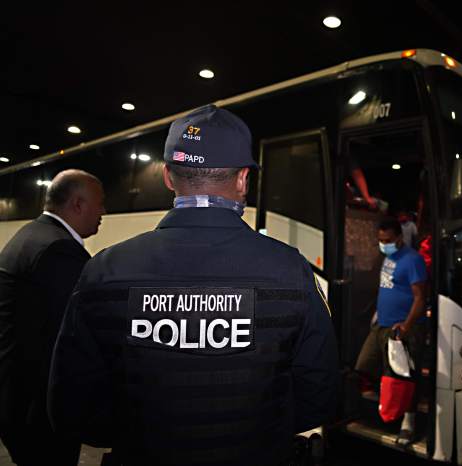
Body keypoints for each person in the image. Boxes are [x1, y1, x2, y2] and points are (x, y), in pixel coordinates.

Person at [48, 105, 338, 466]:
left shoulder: (104, 271)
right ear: (243, 179)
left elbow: (71, 407)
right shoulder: (290, 270)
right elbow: (319, 396)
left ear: (168, 177)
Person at [0, 169, 105, 466]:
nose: (103, 212)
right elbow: (73, 334)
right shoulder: (58, 249)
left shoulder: (31, 235)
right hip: (39, 409)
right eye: (101, 203)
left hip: (16, 398)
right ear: (78, 204)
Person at [354, 217, 427, 446]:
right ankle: (389, 405)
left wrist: (407, 326)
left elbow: (420, 298)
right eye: (381, 240)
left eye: (387, 240)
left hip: (401, 328)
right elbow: (387, 287)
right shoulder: (388, 257)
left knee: (404, 377)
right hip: (381, 324)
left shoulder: (412, 260)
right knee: (364, 365)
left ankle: (408, 423)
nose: (383, 244)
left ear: (399, 237)